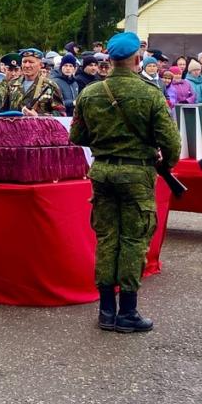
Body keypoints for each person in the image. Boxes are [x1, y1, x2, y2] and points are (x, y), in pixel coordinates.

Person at [70, 31, 180, 333]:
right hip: (136, 176)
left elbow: (76, 136)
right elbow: (171, 144)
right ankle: (127, 312)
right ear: (136, 59)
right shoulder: (150, 93)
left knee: (107, 239)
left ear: (110, 59)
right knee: (133, 240)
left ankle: (106, 310)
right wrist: (164, 163)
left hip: (102, 174)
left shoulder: (90, 93)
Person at [0, 48, 67, 116]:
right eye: (24, 62)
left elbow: (61, 114)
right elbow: (4, 111)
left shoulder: (50, 86)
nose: (27, 65)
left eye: (31, 62)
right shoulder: (12, 84)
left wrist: (38, 116)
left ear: (40, 65)